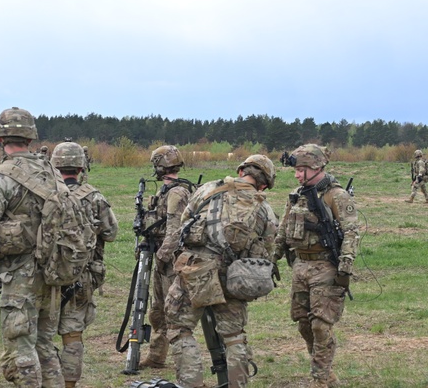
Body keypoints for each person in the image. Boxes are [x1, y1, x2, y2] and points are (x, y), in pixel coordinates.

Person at [0, 107, 66, 388]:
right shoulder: (52, 172)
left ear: (0, 140)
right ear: (31, 138)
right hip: (52, 269)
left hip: (18, 272)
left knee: (20, 345)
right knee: (46, 343)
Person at [165, 155, 278, 388]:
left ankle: (191, 383)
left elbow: (184, 224)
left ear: (240, 171)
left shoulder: (207, 190)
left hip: (195, 270)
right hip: (234, 276)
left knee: (180, 329)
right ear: (264, 184)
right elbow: (268, 249)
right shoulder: (264, 208)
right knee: (234, 335)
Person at [273, 145, 359, 388]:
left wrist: (345, 266)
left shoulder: (336, 195)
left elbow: (352, 231)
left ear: (317, 167)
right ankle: (327, 373)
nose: (298, 175)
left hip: (326, 267)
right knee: (304, 324)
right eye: (296, 170)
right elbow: (283, 229)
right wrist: (273, 256)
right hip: (301, 267)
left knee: (321, 325)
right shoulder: (296, 194)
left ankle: (319, 379)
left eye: (301, 170)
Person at [51, 142, 119, 388]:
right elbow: (111, 233)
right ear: (81, 167)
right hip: (81, 276)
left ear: (55, 165)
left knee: (42, 333)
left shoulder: (45, 193)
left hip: (45, 276)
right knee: (72, 333)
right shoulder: (94, 196)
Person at [139, 145, 197, 370]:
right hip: (161, 255)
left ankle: (182, 360)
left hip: (172, 260)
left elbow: (175, 229)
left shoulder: (176, 193)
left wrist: (163, 256)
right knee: (158, 310)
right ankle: (156, 356)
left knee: (173, 311)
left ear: (159, 166)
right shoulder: (165, 190)